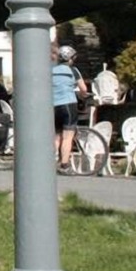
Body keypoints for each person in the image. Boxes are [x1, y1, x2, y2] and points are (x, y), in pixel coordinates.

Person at [52, 45, 87, 175]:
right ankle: (64, 165)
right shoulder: (73, 70)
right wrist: (83, 95)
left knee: (56, 136)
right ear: (71, 59)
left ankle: (51, 162)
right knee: (67, 137)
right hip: (68, 104)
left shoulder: (51, 70)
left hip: (53, 106)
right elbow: (83, 89)